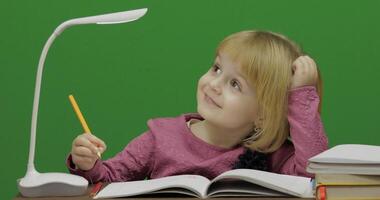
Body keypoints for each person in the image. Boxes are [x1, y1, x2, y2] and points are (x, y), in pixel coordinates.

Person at [67, 30, 328, 183]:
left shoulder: (273, 156)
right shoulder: (160, 138)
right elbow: (108, 177)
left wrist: (301, 96)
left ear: (263, 115)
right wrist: (88, 165)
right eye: (216, 68)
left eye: (235, 84)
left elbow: (311, 173)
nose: (214, 84)